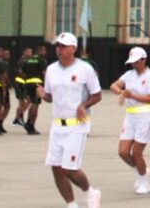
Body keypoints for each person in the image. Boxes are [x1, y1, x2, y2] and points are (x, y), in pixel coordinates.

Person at [38, 32, 102, 208]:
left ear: (73, 48)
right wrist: (43, 95)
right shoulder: (51, 69)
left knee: (70, 169)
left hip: (77, 126)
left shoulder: (84, 68)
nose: (59, 50)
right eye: (57, 46)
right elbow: (51, 96)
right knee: (56, 169)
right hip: (57, 125)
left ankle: (90, 192)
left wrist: (84, 105)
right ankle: (71, 204)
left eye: (63, 46)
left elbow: (97, 95)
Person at [110, 47, 150, 194]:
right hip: (130, 116)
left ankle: (145, 182)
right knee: (123, 152)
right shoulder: (129, 74)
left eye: (136, 62)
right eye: (132, 62)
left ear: (144, 60)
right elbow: (114, 85)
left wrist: (133, 96)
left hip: (145, 116)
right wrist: (121, 92)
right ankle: (140, 170)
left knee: (137, 152)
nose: (134, 65)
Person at [22, 45, 50, 135]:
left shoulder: (28, 60)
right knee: (35, 104)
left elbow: (23, 73)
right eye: (44, 50)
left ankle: (28, 122)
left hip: (28, 83)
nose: (45, 52)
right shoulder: (42, 60)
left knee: (32, 103)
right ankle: (31, 125)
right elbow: (44, 73)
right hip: (37, 84)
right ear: (40, 51)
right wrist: (46, 85)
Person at [12, 47, 33, 128]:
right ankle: (17, 119)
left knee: (26, 101)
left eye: (31, 51)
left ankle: (19, 118)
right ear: (24, 52)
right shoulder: (23, 61)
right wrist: (28, 76)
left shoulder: (27, 60)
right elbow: (20, 72)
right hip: (20, 83)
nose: (30, 53)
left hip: (23, 83)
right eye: (29, 51)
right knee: (22, 102)